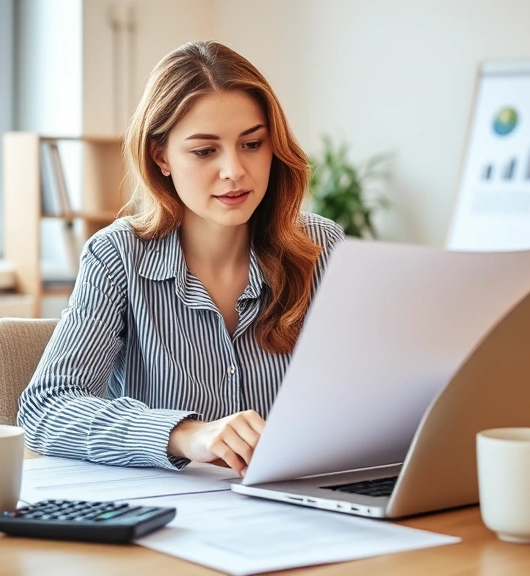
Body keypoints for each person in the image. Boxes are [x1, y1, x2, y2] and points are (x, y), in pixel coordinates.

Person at [17, 40, 345, 476]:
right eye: (205, 151)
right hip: (172, 523)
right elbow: (46, 409)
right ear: (161, 156)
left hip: (305, 509)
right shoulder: (119, 256)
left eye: (252, 144)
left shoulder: (321, 248)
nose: (234, 170)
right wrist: (187, 434)